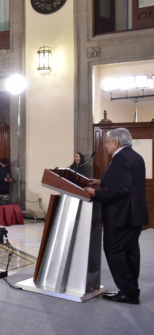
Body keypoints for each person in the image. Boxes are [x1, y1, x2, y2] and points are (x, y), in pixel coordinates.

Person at [84, 128, 148, 305]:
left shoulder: (120, 159)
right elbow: (128, 183)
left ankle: (128, 292)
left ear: (116, 143)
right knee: (130, 253)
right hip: (134, 215)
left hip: (121, 216)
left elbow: (122, 189)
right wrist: (102, 182)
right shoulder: (135, 157)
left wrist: (96, 193)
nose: (105, 146)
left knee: (115, 252)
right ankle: (131, 290)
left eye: (107, 142)